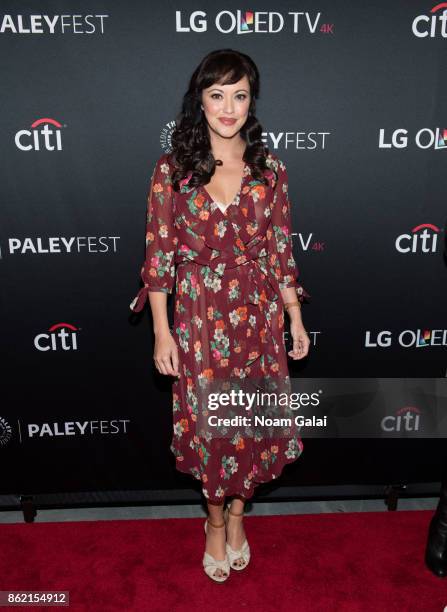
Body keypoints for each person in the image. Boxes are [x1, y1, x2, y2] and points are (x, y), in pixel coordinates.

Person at [129, 48, 311, 582]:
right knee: (211, 431)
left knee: (251, 424)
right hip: (200, 318)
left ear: (251, 102)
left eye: (239, 95)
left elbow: (280, 250)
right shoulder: (173, 169)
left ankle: (238, 516)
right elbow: (159, 256)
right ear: (200, 101)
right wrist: (162, 333)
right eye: (217, 95)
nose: (228, 107)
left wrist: (294, 315)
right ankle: (213, 522)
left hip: (257, 317)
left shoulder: (269, 169)